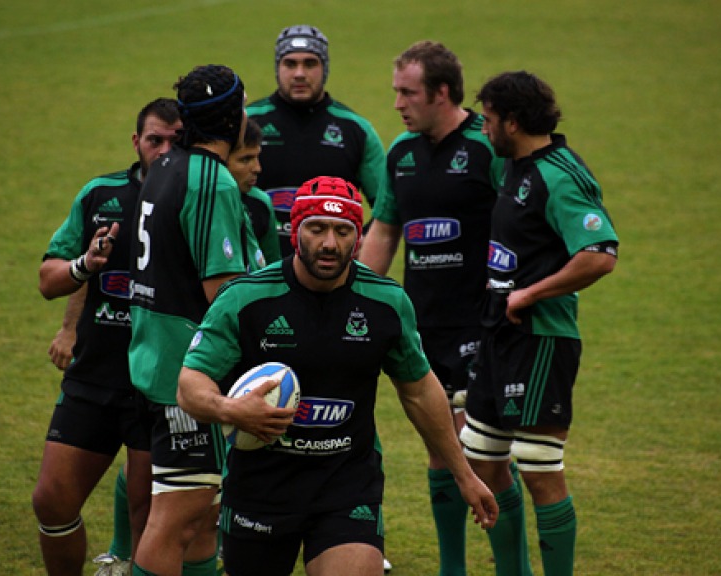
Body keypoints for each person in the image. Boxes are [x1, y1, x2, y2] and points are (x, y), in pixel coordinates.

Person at [175, 176, 499, 576]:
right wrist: (231, 410)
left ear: (357, 237)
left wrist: (464, 475)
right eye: (317, 228)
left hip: (346, 485)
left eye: (343, 231)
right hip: (261, 487)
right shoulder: (246, 298)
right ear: (296, 231)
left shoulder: (385, 303)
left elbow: (418, 391)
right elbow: (190, 384)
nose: (330, 243)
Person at [358, 41, 532, 576]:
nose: (397, 104)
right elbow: (384, 231)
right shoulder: (401, 154)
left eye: (408, 93)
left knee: (482, 455)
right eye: (396, 92)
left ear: (441, 93)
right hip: (424, 326)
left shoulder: (487, 147)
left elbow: (522, 224)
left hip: (483, 325)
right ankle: (451, 568)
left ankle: (515, 570)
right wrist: (355, 294)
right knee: (440, 449)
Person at [459, 71, 619, 576]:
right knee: (481, 457)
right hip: (498, 335)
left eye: (488, 120)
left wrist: (531, 293)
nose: (483, 129)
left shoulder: (560, 174)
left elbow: (599, 254)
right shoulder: (515, 167)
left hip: (542, 337)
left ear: (512, 121)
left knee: (538, 467)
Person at [33, 97, 182, 576]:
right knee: (51, 500)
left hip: (156, 388)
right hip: (94, 376)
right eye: (154, 140)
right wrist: (85, 265)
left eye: (175, 141)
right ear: (136, 141)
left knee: (147, 520)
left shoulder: (199, 200)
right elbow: (48, 280)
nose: (164, 151)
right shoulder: (101, 194)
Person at [127, 64, 260, 576]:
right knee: (176, 522)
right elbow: (222, 293)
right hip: (186, 371)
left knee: (203, 520)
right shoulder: (212, 183)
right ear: (232, 118)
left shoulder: (164, 165)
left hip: (153, 354)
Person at [246, 24, 388, 258]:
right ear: (277, 68)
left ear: (325, 68)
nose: (299, 74)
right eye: (290, 64)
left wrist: (358, 241)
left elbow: (388, 208)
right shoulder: (248, 123)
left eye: (310, 64)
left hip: (328, 269)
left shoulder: (355, 130)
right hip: (261, 271)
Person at [229, 118, 282, 264]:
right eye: (245, 159)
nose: (257, 168)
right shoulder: (196, 199)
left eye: (257, 157)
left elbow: (272, 268)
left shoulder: (261, 202)